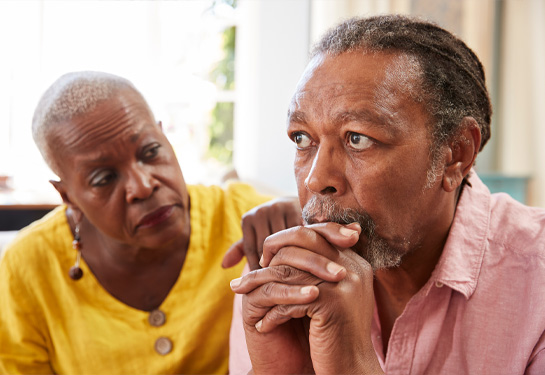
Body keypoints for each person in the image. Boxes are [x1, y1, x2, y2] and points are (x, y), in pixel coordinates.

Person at [228, 15, 545, 374]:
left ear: (455, 154)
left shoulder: (536, 286)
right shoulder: (284, 277)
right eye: (302, 138)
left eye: (358, 138)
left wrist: (351, 365)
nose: (316, 180)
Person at [0, 71, 301, 374]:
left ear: (164, 138)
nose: (143, 186)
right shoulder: (26, 268)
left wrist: (308, 217)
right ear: (68, 196)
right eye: (104, 178)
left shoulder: (245, 219)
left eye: (150, 151)